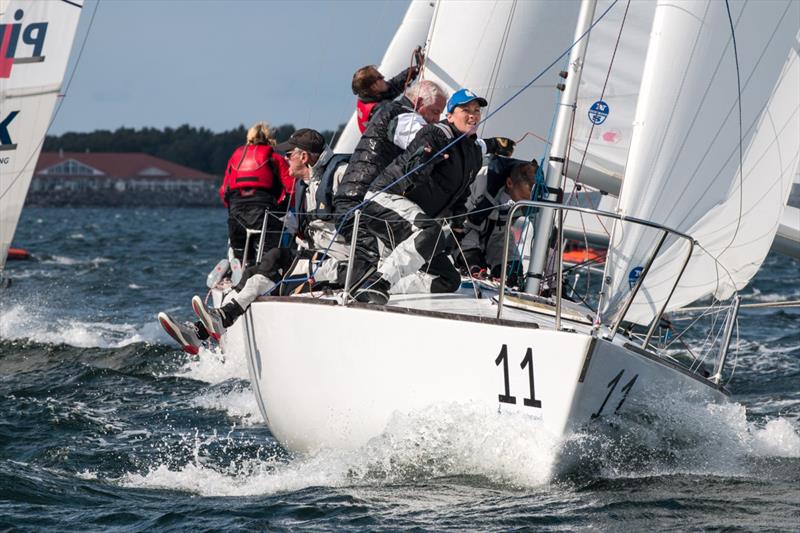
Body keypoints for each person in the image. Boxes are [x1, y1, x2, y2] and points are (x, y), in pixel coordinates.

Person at [158, 129, 343, 353]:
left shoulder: (336, 179)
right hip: (304, 249)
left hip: (333, 262)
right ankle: (199, 332)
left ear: (303, 157)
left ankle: (218, 320)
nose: (285, 159)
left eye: (289, 154)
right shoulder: (305, 187)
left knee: (271, 261)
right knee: (251, 272)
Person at [352, 88, 512, 304]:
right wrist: (423, 161)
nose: (473, 114)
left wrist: (457, 222)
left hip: (414, 219)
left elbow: (462, 192)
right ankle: (379, 282)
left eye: (476, 110)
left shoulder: (473, 152)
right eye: (465, 109)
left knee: (449, 279)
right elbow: (413, 161)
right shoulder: (436, 134)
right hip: (384, 199)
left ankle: (375, 285)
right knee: (431, 231)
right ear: (450, 115)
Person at [335, 80, 448, 214]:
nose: (437, 119)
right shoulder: (405, 117)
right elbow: (428, 141)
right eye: (435, 112)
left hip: (355, 197)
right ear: (418, 102)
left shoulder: (393, 110)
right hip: (360, 202)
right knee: (425, 231)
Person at [219, 122, 293, 264]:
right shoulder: (274, 158)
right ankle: (267, 270)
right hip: (264, 214)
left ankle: (242, 267)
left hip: (236, 214)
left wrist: (232, 209)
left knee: (242, 256)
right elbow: (291, 188)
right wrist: (285, 209)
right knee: (269, 253)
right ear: (269, 139)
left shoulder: (236, 157)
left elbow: (224, 190)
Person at [460, 160, 538, 277]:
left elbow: (547, 236)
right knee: (474, 267)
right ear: (509, 182)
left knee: (514, 272)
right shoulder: (482, 179)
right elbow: (458, 213)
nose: (524, 204)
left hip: (499, 236)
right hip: (468, 230)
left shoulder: (533, 199)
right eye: (522, 198)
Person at [352, 48, 423, 133]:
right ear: (374, 86)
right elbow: (400, 110)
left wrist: (413, 71)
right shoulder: (379, 109)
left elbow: (392, 86)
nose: (384, 78)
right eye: (380, 77)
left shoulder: (368, 95)